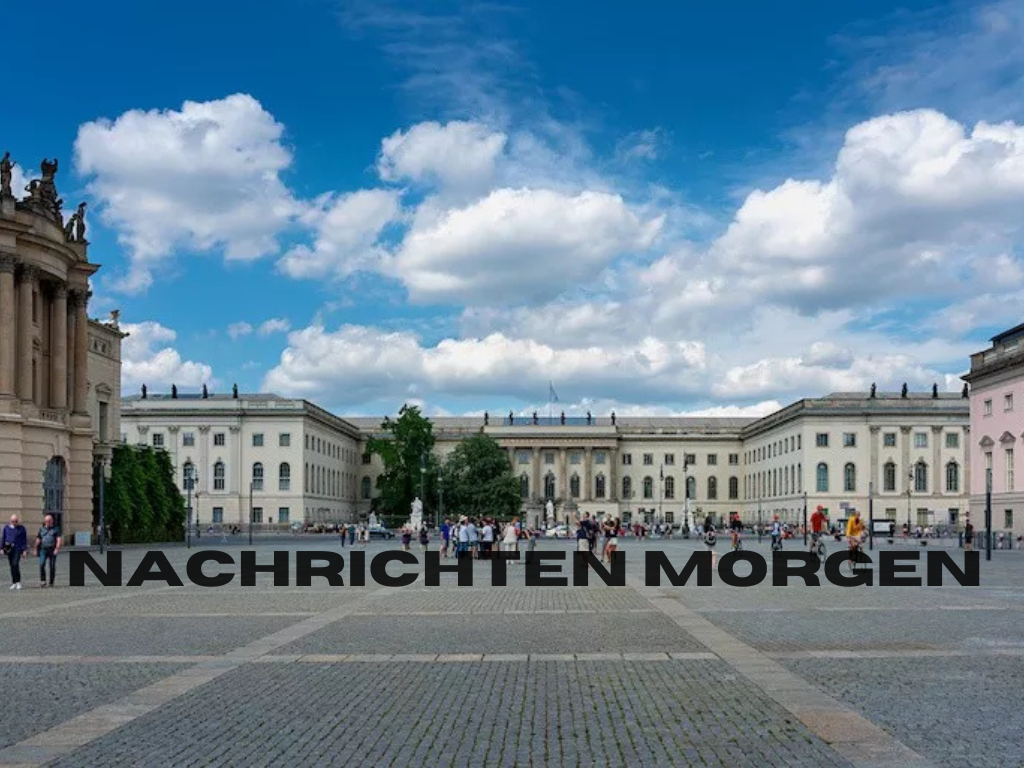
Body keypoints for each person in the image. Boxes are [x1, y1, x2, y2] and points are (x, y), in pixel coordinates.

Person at [2, 515, 29, 590]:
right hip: (9, 549)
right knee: (11, 566)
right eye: (13, 521)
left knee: (15, 564)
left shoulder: (21, 528)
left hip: (17, 548)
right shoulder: (6, 528)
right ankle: (14, 582)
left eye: (16, 521)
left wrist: (24, 550)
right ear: (10, 521)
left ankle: (18, 582)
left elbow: (24, 539)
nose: (15, 523)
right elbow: (3, 538)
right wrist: (1, 548)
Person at [35, 514, 61, 588]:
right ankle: (43, 581)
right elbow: (38, 539)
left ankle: (51, 582)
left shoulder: (56, 529)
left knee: (52, 566)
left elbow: (58, 540)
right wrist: (35, 549)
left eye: (49, 521)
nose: (48, 522)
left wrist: (57, 549)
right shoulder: (41, 529)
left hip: (52, 549)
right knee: (42, 564)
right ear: (45, 521)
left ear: (52, 521)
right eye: (47, 521)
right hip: (43, 549)